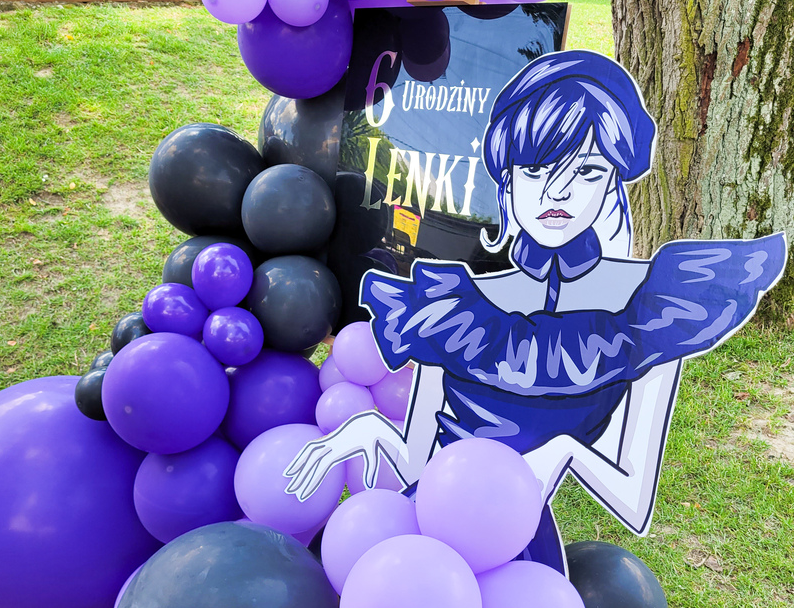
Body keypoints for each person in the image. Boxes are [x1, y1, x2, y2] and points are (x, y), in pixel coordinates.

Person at [285, 50, 786, 574]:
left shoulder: (656, 307)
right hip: (425, 518)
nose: (558, 191)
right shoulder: (452, 303)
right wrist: (371, 431)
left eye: (587, 170)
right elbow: (418, 457)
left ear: (613, 183)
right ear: (506, 178)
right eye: (535, 169)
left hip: (518, 550)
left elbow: (633, 499)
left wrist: (560, 453)